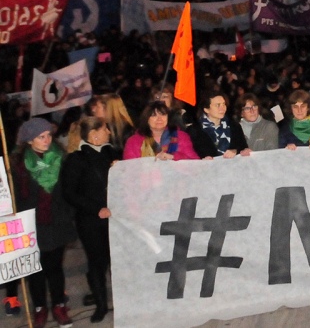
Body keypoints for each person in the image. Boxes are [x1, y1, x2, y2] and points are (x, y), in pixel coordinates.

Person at [11, 119, 76, 327]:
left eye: (49, 135)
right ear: (30, 140)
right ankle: (40, 307)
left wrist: (69, 213)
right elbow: (15, 197)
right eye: (42, 136)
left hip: (57, 222)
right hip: (32, 224)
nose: (47, 139)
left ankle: (59, 305)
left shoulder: (61, 158)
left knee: (55, 267)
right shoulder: (19, 165)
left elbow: (70, 189)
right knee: (35, 270)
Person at [60, 116, 119, 323]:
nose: (109, 133)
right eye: (105, 129)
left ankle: (121, 301)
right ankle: (101, 305)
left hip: (116, 218)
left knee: (118, 260)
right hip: (91, 221)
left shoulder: (111, 153)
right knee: (97, 262)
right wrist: (96, 209)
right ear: (94, 135)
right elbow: (69, 192)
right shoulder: (76, 160)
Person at [124, 102, 200, 160]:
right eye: (154, 115)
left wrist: (173, 157)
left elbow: (193, 163)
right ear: (146, 119)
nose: (159, 118)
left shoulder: (181, 136)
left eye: (163, 114)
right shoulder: (133, 141)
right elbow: (130, 169)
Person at [187, 91, 250, 159]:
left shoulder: (234, 127)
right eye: (218, 105)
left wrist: (236, 151)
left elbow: (244, 148)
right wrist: (202, 160)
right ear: (206, 109)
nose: (222, 108)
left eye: (224, 104)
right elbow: (189, 155)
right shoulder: (194, 131)